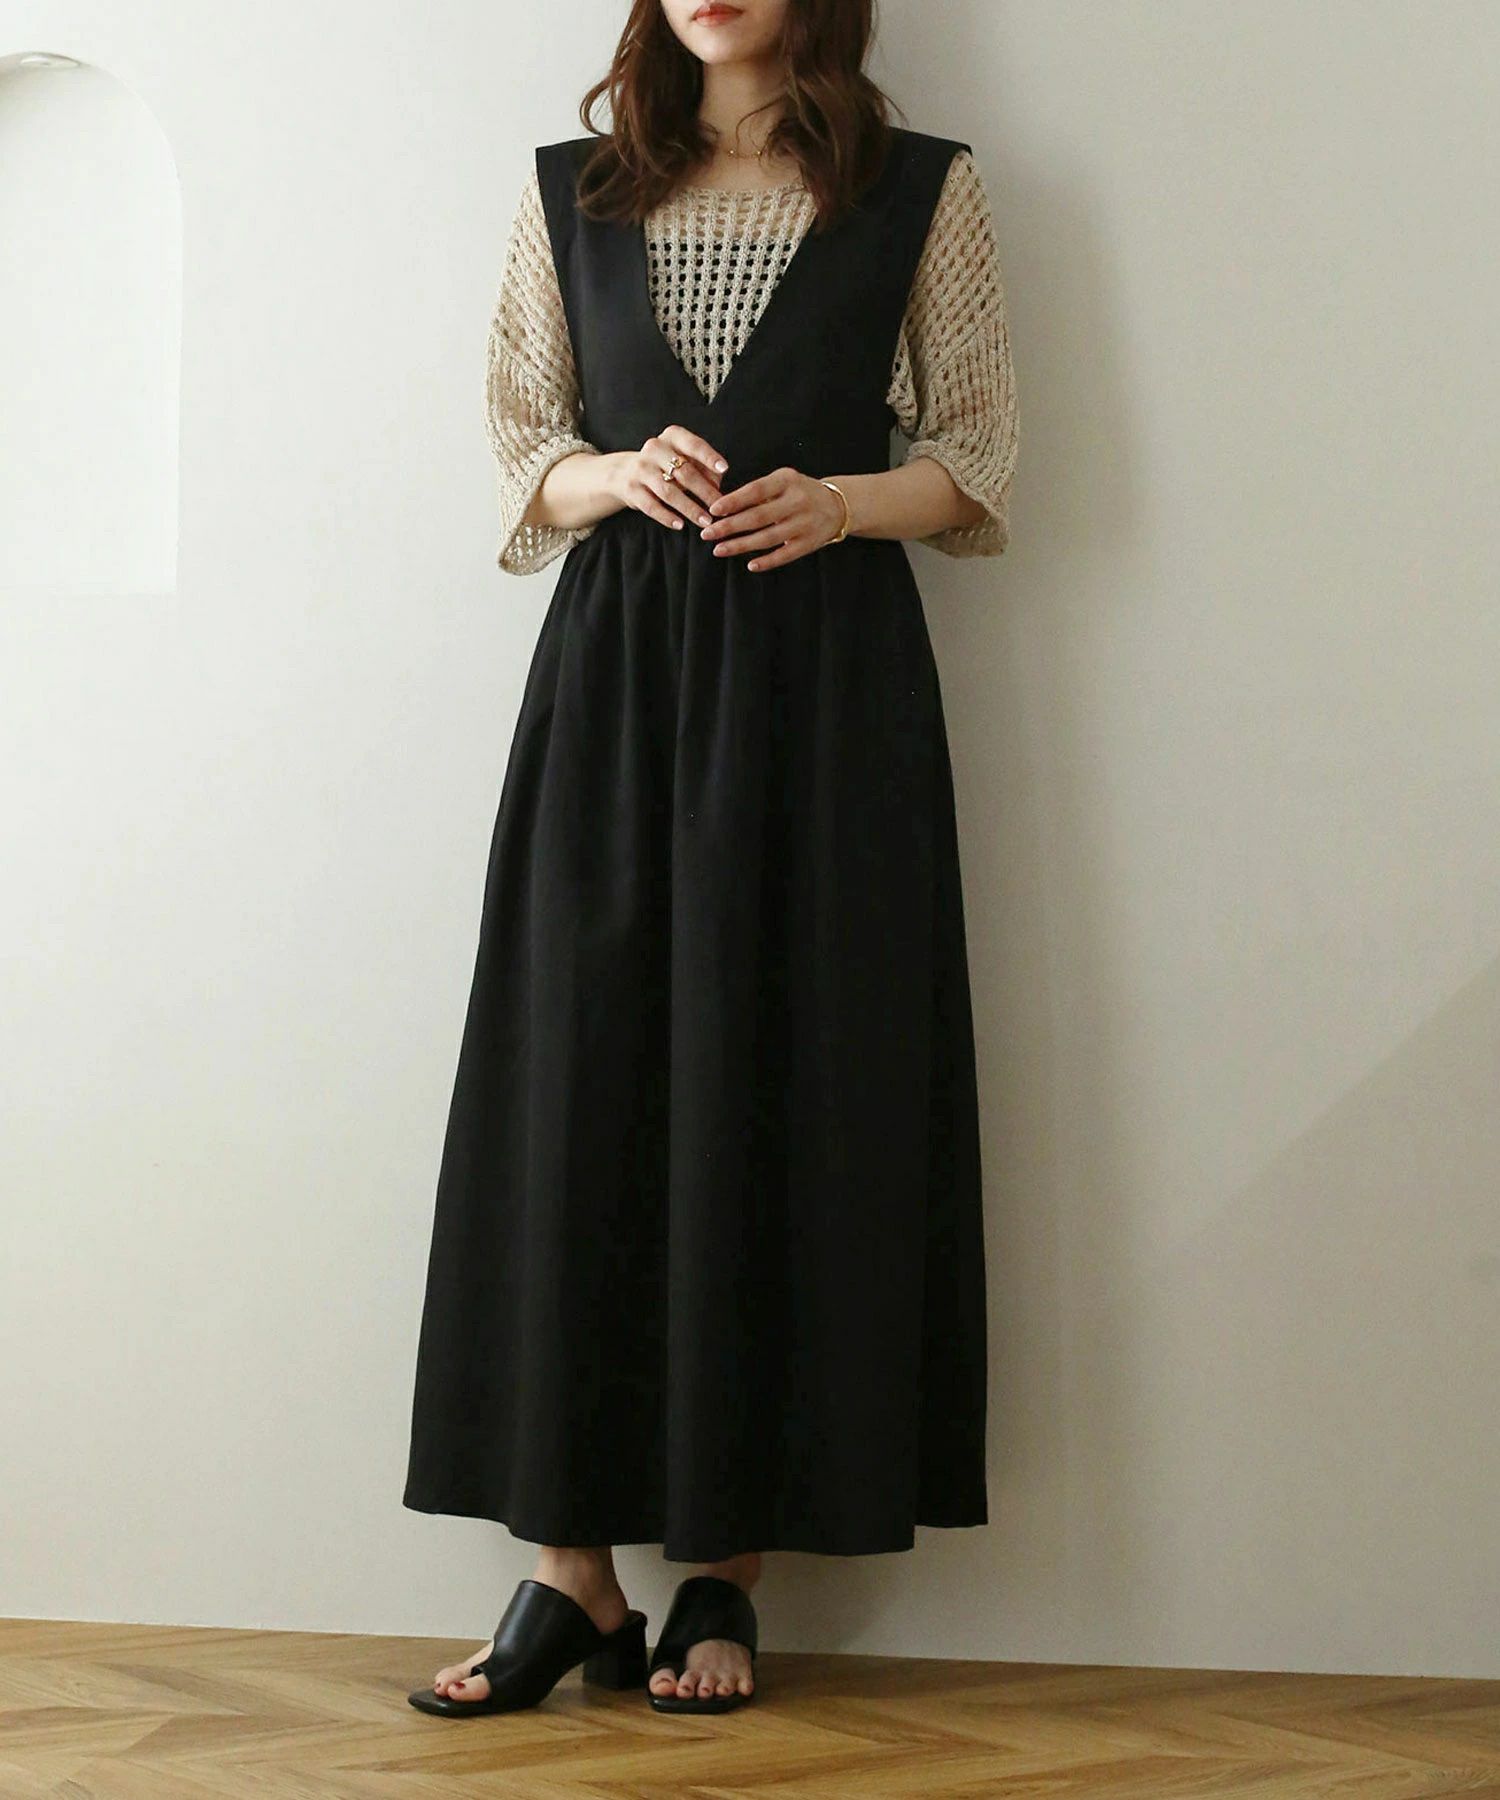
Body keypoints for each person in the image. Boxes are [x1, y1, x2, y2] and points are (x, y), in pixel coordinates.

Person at [402, 0, 1019, 1719]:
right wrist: (609, 473)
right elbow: (519, 444)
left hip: (825, 695)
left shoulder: (919, 189)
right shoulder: (574, 187)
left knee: (784, 1080)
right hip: (615, 692)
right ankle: (568, 1578)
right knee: (575, 1084)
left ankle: (720, 1574)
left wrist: (841, 500)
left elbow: (980, 456)